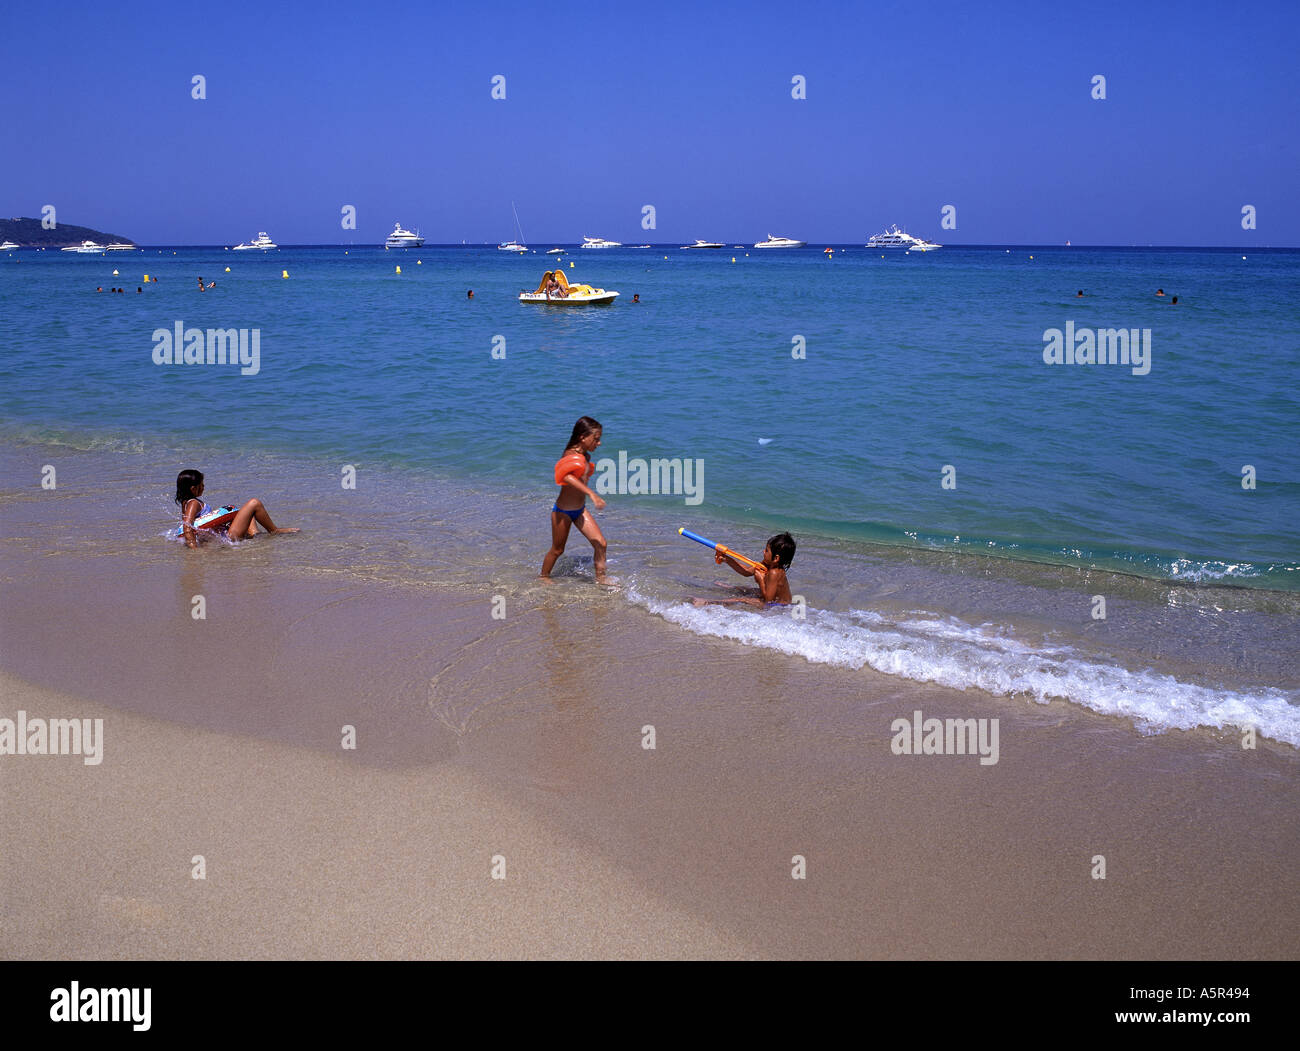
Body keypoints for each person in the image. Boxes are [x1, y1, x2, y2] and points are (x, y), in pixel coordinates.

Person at [540, 417, 609, 584]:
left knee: (601, 543)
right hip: (563, 511)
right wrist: (592, 494)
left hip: (580, 510)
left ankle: (601, 578)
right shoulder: (570, 455)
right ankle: (543, 577)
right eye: (596, 439)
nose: (599, 443)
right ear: (582, 437)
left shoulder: (586, 456)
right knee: (558, 550)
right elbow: (566, 476)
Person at [174, 468, 299, 549]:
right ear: (193, 489)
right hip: (227, 538)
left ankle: (255, 535)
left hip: (221, 537)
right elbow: (187, 526)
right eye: (201, 484)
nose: (204, 487)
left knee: (240, 512)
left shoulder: (186, 503)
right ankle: (274, 530)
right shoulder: (193, 503)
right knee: (254, 503)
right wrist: (194, 549)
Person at [692, 533, 796, 608]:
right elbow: (746, 571)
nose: (763, 551)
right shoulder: (767, 564)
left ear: (776, 558)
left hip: (779, 606)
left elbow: (768, 601)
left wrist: (760, 580)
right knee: (746, 589)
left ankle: (708, 603)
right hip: (772, 599)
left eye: (767, 550)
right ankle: (731, 588)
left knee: (742, 599)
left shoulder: (775, 573)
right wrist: (727, 559)